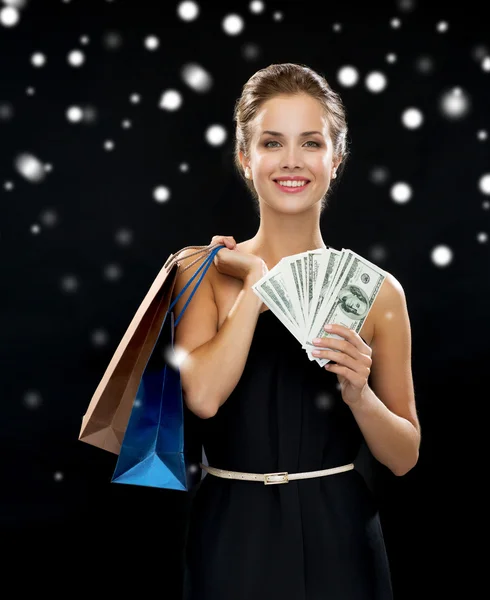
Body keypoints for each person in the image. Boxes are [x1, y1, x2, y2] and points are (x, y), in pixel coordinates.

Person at [172, 62, 420, 600]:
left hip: (342, 533)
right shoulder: (201, 271)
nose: (291, 161)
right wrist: (258, 288)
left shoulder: (379, 292)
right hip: (232, 534)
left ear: (337, 158)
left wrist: (359, 395)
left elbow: (403, 455)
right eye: (271, 142)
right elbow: (204, 397)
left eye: (311, 142)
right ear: (245, 157)